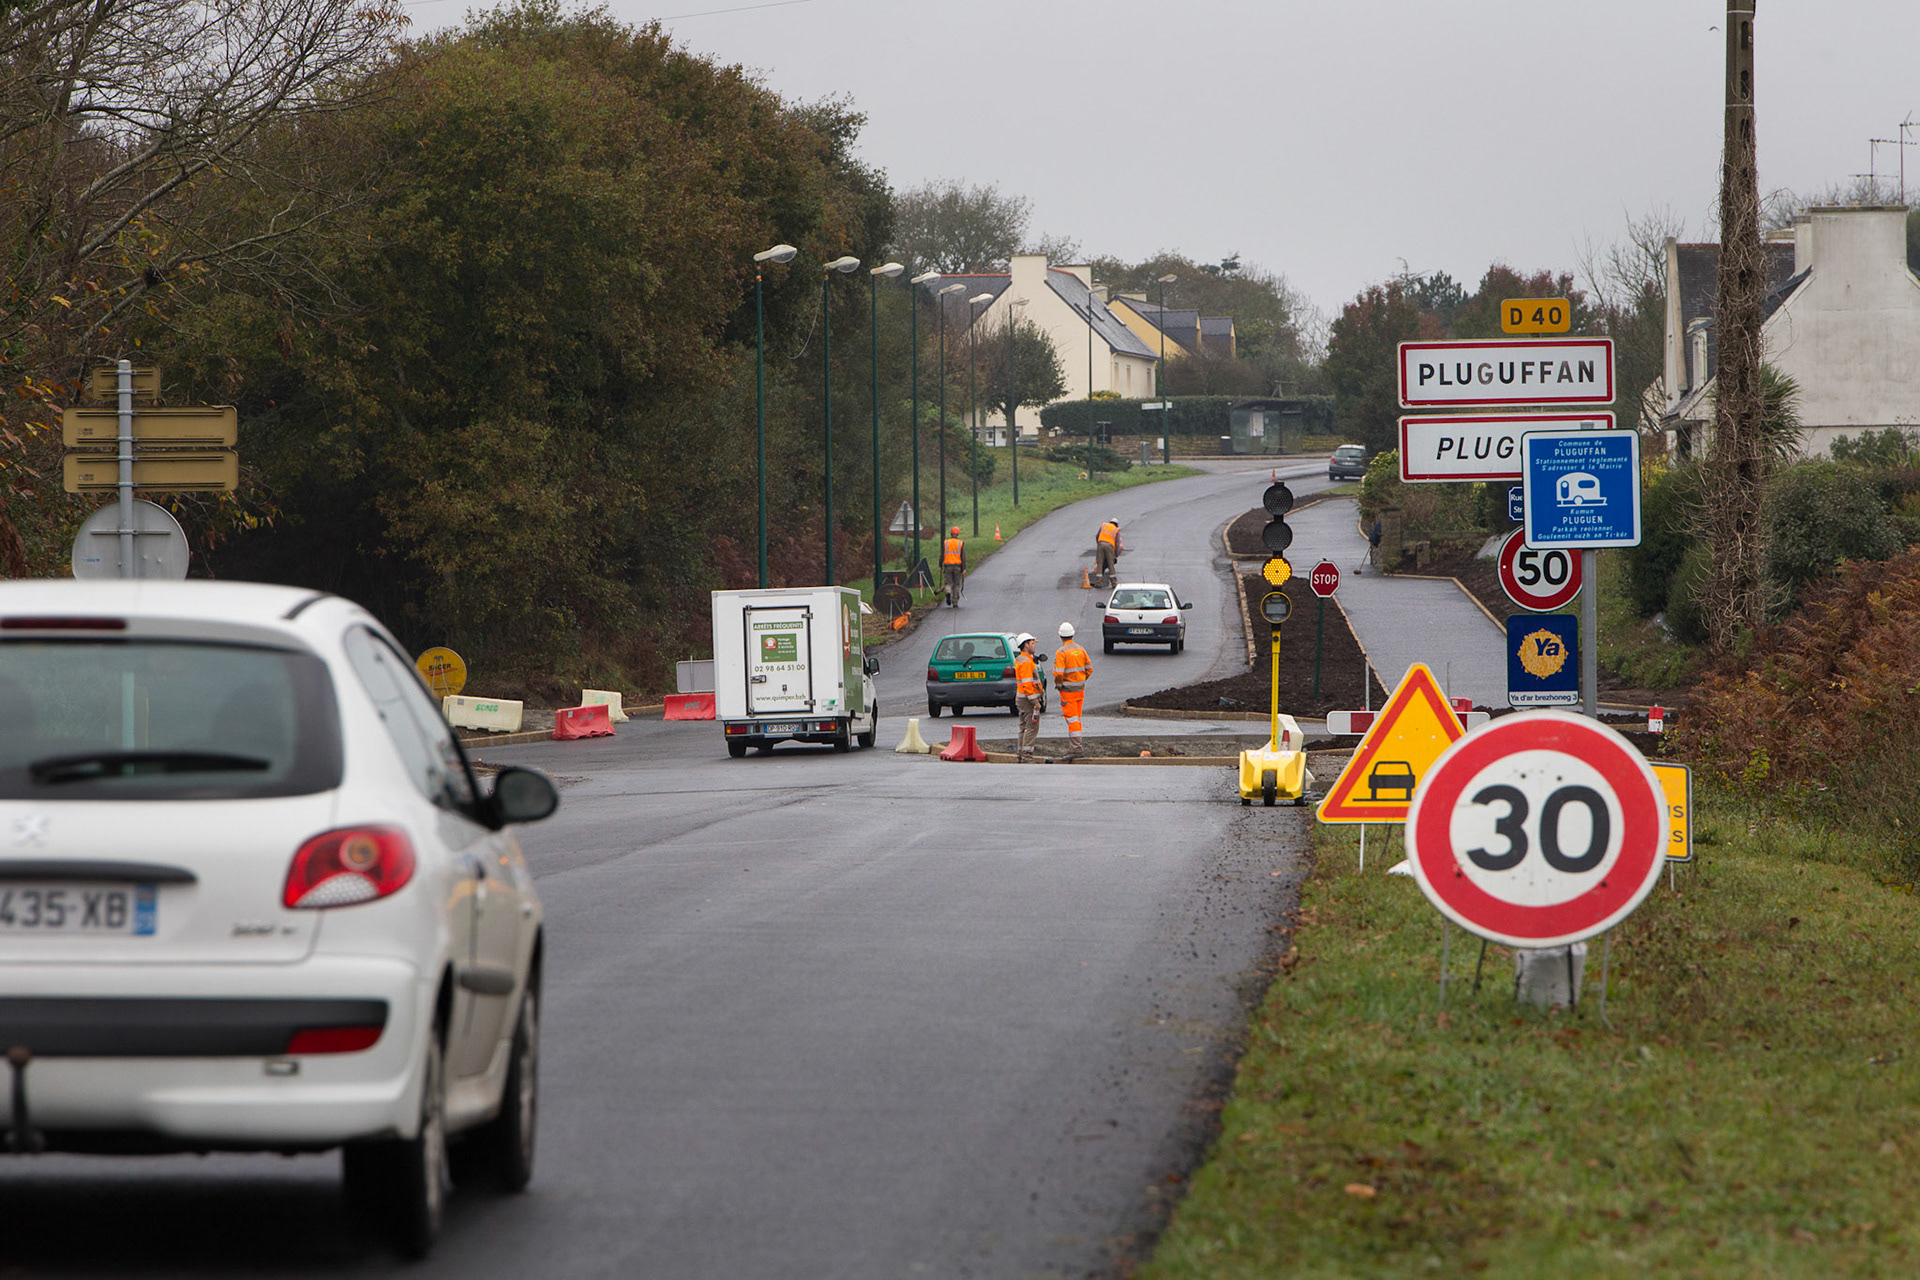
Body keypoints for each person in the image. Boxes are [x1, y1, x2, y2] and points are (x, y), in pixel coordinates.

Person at [1051, 622, 1091, 760]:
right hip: (1080, 690)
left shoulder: (1061, 652)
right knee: (1077, 719)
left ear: (1060, 636)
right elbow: (1089, 669)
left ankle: (1076, 749)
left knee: (1072, 720)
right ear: (1072, 635)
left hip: (1068, 691)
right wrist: (1080, 680)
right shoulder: (1081, 649)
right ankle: (1076, 746)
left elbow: (1058, 673)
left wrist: (1059, 684)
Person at [1012, 632, 1046, 762]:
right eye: (1032, 643)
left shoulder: (1021, 660)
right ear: (1026, 645)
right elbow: (1027, 685)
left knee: (1023, 727)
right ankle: (1026, 755)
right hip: (1027, 700)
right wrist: (1035, 701)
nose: (1034, 646)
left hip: (1021, 699)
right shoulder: (1026, 662)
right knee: (1031, 728)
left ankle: (1020, 754)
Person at [941, 526, 966, 606]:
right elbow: (963, 557)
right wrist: (963, 568)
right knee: (956, 584)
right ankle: (955, 601)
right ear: (958, 534)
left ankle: (948, 592)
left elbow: (942, 555)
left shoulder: (946, 542)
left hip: (947, 566)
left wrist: (940, 565)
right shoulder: (960, 543)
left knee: (948, 583)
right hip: (957, 567)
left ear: (951, 534)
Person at [1094, 518, 1122, 587]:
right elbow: (1117, 543)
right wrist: (1116, 554)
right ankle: (1113, 583)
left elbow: (1097, 536)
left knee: (1100, 563)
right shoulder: (1116, 529)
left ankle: (1098, 582)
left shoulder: (1104, 526)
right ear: (1117, 524)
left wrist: (1100, 544)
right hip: (1110, 546)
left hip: (1100, 544)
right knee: (1110, 564)